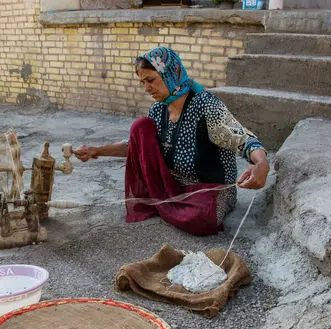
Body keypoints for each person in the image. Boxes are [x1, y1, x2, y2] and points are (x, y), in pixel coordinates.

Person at [73, 47, 270, 236]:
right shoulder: (159, 109)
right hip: (170, 184)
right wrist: (95, 151)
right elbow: (135, 146)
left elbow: (244, 139)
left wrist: (261, 164)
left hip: (208, 189)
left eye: (151, 80)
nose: (147, 88)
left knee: (201, 218)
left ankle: (167, 205)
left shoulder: (207, 107)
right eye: (142, 83)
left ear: (170, 74)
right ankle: (168, 203)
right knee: (140, 127)